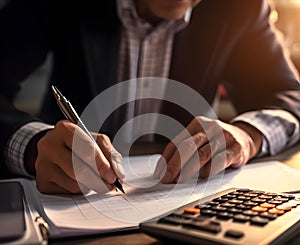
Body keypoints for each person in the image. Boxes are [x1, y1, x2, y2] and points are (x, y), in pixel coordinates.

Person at [0, 0, 299, 194]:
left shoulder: (240, 6)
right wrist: (33, 146)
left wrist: (248, 135)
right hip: (65, 198)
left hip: (184, 207)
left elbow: (289, 96)